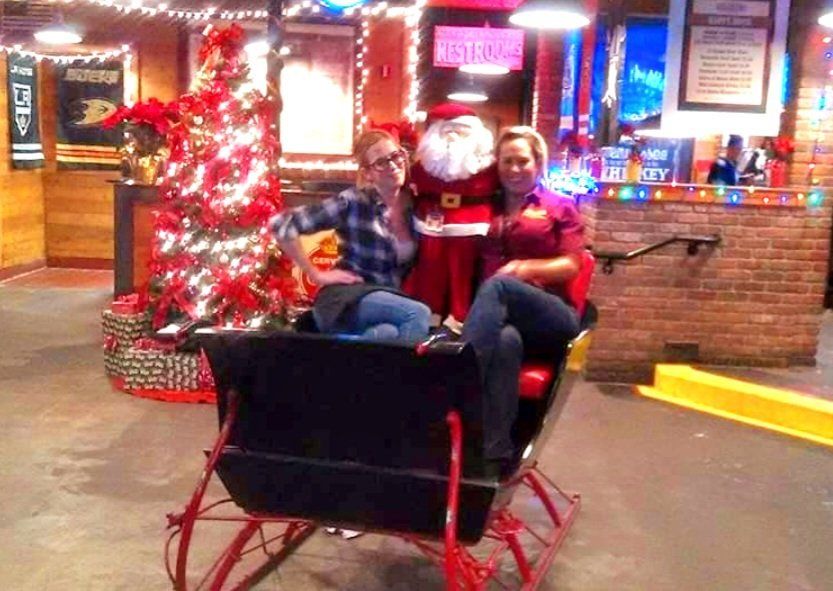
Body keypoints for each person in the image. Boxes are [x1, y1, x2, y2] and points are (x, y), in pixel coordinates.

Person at [460, 126, 585, 474]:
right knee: (505, 341)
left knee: (500, 286)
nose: (514, 169)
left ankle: (459, 375)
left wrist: (524, 269)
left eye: (522, 161)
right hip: (498, 321)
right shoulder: (484, 206)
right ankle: (494, 454)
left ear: (538, 163)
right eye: (507, 161)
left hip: (550, 314)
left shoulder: (559, 206)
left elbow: (571, 265)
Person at [270, 129, 431, 343]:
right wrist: (316, 274)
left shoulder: (415, 205)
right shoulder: (353, 202)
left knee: (387, 334)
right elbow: (281, 224)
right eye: (381, 163)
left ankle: (342, 360)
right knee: (417, 313)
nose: (393, 165)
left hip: (387, 300)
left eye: (396, 156)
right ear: (368, 173)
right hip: (346, 299)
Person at [404, 103, 499, 333]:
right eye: (447, 132)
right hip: (431, 224)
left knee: (463, 272)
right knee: (429, 268)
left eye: (461, 132)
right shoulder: (422, 167)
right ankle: (429, 315)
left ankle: (461, 316)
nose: (454, 137)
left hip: (470, 225)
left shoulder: (489, 168)